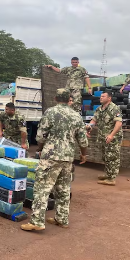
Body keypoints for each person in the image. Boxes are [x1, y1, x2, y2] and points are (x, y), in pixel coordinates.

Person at [21, 89, 88, 232]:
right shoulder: (76, 116)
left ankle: (37, 222)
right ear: (69, 98)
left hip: (51, 156)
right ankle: (62, 219)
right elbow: (83, 140)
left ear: (56, 98)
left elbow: (40, 136)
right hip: (68, 157)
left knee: (42, 188)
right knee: (63, 189)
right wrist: (83, 155)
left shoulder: (50, 112)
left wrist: (39, 148)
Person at [86, 91, 123, 186]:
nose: (100, 97)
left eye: (103, 96)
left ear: (109, 98)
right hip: (103, 137)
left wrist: (111, 135)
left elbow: (119, 123)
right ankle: (108, 174)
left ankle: (112, 179)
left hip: (113, 138)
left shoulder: (114, 108)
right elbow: (94, 120)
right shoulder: (99, 109)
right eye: (100, 96)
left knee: (112, 157)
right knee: (105, 157)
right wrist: (89, 127)